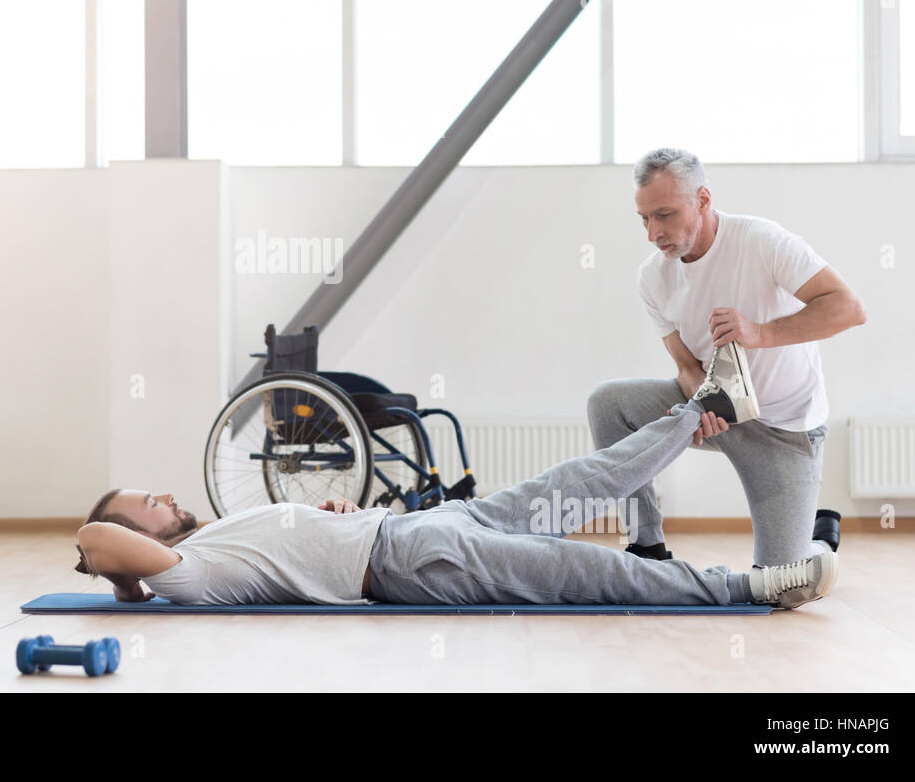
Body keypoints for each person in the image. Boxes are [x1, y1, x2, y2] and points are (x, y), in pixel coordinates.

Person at [74, 385, 838, 611]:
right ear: (130, 532)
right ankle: (753, 585)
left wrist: (328, 515)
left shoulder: (215, 535)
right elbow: (96, 538)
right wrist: (111, 568)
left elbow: (293, 543)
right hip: (417, 559)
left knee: (583, 478)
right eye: (147, 500)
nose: (165, 496)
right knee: (582, 570)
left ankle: (702, 407)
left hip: (423, 524)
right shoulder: (192, 572)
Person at [588, 148, 866, 569]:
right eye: (644, 219)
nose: (653, 233)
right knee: (608, 404)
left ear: (702, 200)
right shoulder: (652, 277)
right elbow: (685, 365)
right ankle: (646, 546)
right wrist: (703, 405)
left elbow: (848, 307)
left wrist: (761, 332)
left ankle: (819, 536)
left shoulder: (762, 241)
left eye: (664, 214)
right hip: (722, 415)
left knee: (781, 583)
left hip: (786, 431)